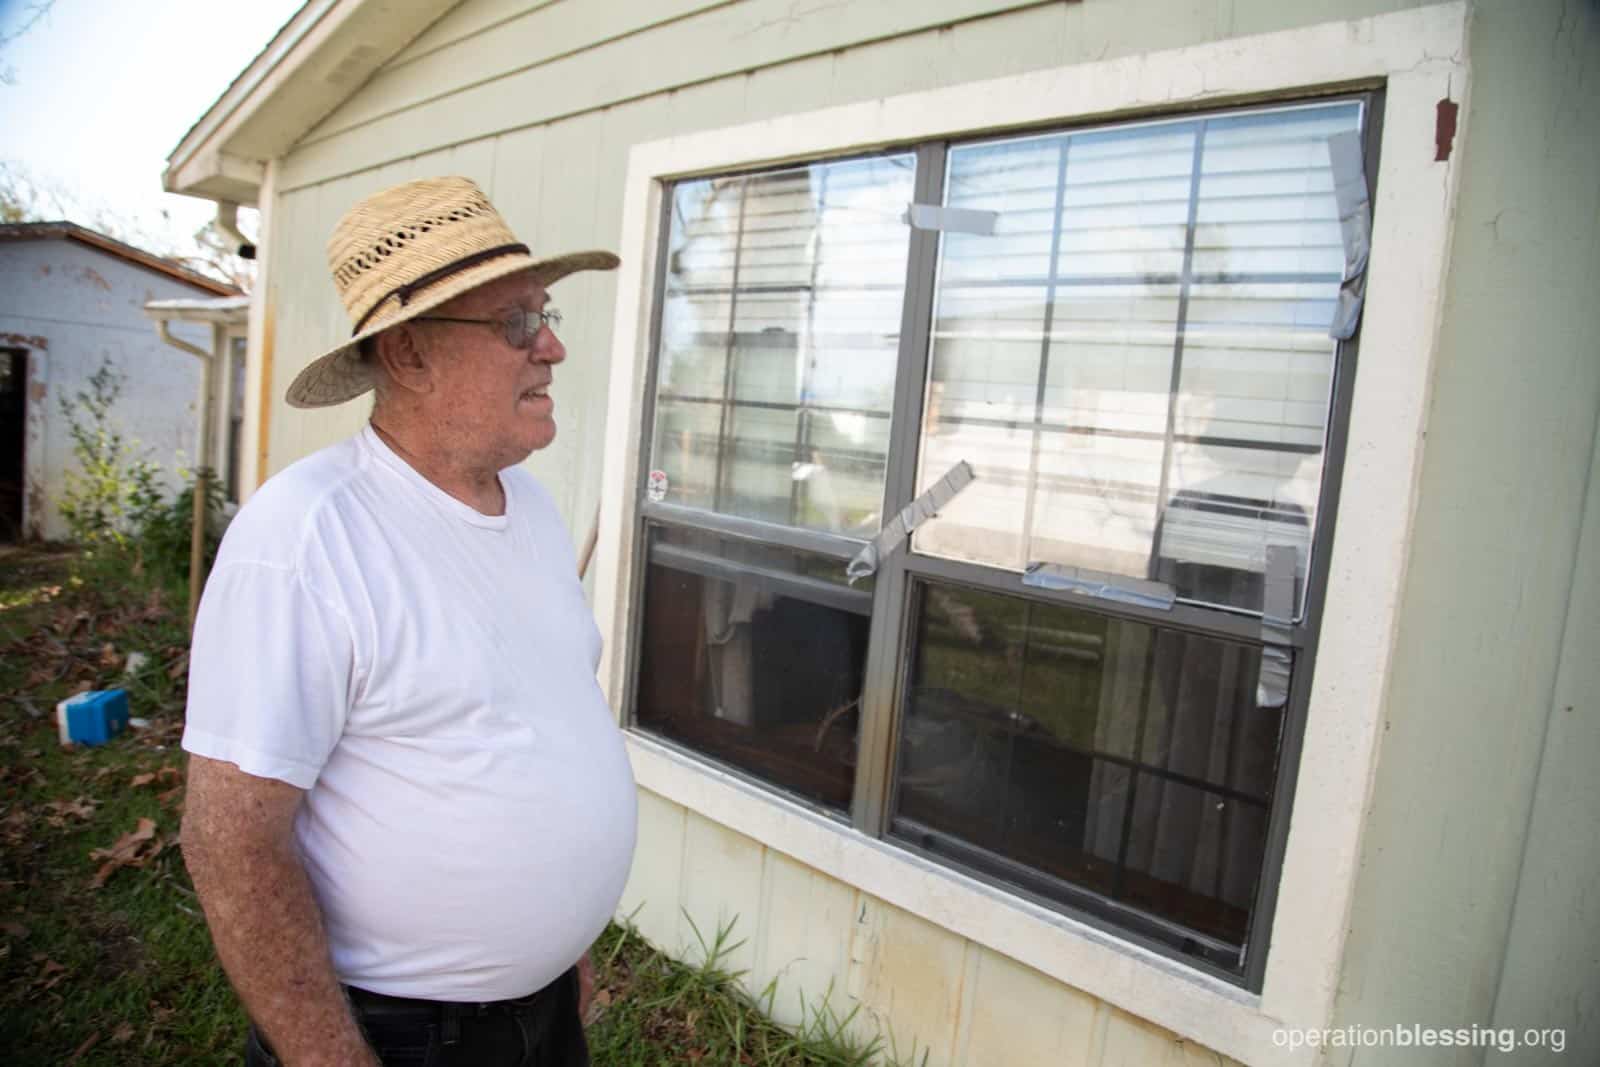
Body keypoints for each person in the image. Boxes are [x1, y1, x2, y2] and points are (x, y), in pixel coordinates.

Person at [179, 176, 639, 1067]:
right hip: (398, 1035)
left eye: (544, 314)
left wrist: (559, 934)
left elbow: (533, 718)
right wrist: (328, 1056)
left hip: (539, 1012)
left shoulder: (532, 510)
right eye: (515, 324)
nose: (551, 346)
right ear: (409, 356)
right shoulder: (307, 536)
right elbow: (231, 839)